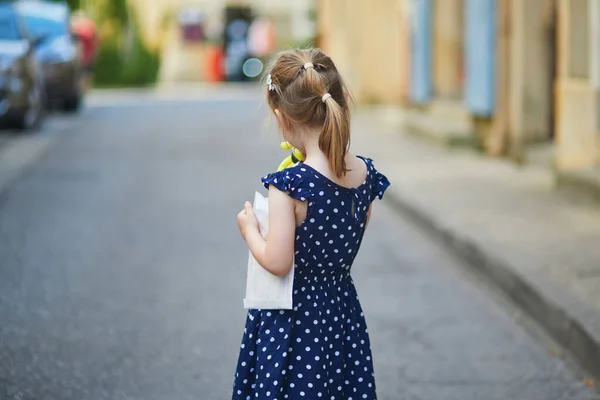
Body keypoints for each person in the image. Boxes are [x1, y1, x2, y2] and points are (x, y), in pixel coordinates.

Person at [234, 48, 390, 400]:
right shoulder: (365, 175)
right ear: (339, 103)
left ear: (282, 117)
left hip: (293, 319)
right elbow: (356, 228)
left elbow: (277, 261)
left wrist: (250, 230)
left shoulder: (289, 185)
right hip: (341, 314)